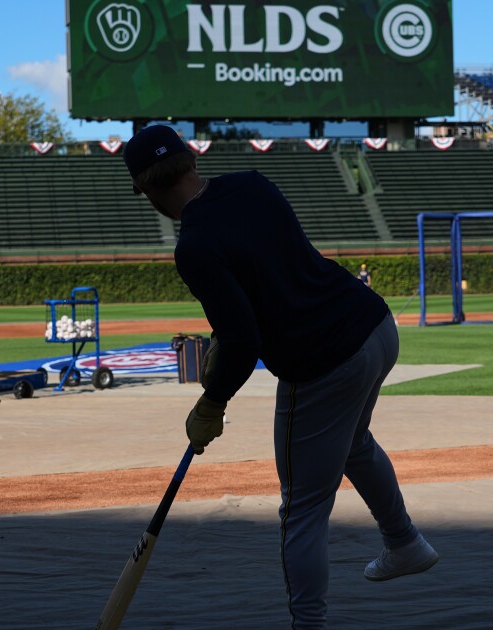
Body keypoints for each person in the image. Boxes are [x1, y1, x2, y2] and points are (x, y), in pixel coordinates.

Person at [123, 125, 437, 629]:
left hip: (323, 360)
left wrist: (212, 401)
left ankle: (307, 624)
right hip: (375, 327)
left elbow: (243, 340)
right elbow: (267, 272)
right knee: (354, 442)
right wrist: (231, 331)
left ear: (148, 191)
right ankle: (404, 543)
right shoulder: (253, 183)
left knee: (303, 510)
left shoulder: (194, 245)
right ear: (191, 160)